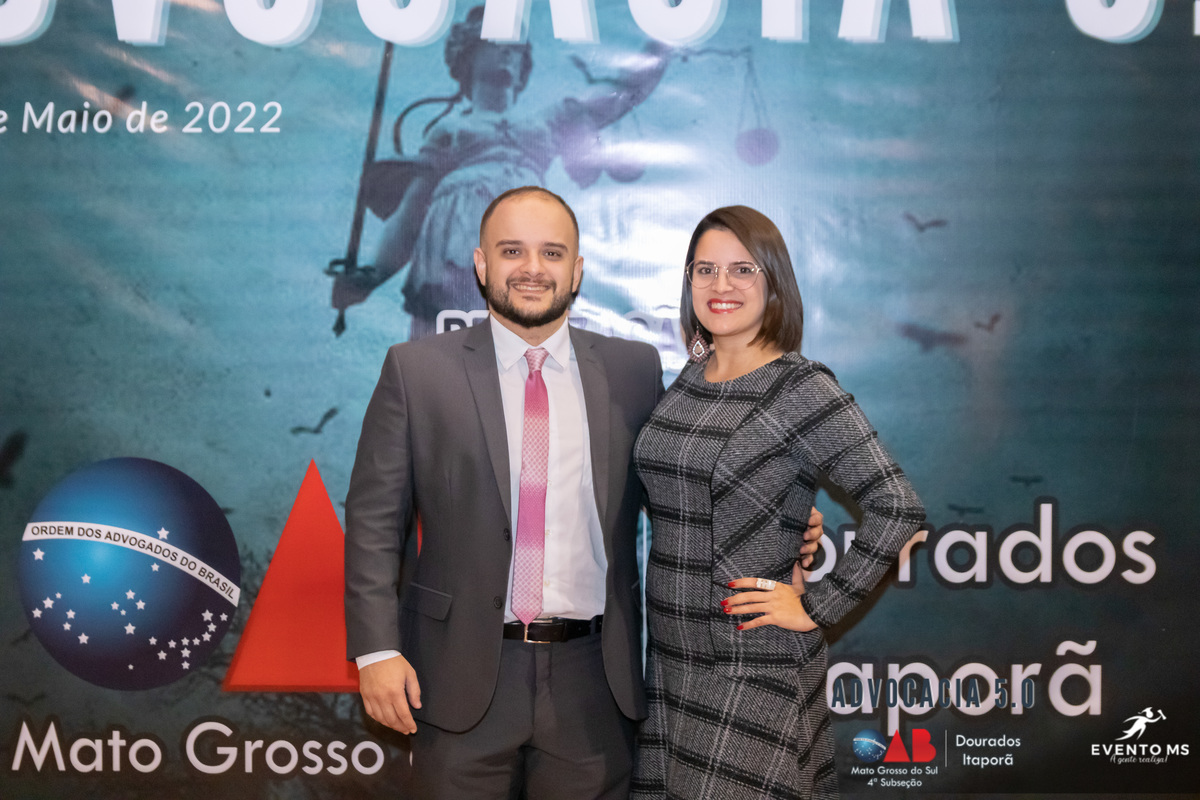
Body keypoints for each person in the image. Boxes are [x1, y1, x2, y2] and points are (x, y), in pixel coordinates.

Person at [632, 206, 926, 799]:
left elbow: (899, 508)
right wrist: (783, 517)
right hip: (671, 659)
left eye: (742, 269)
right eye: (705, 269)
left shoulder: (801, 387)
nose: (721, 284)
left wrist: (817, 606)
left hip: (750, 662)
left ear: (773, 283)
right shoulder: (691, 377)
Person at [332, 4, 671, 340]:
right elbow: (411, 215)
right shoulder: (450, 131)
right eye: (497, 44)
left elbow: (620, 93)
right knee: (452, 351)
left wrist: (664, 37)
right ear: (470, 53)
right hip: (455, 250)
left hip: (525, 244)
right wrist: (371, 275)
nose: (508, 53)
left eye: (516, 49)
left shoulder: (545, 122)